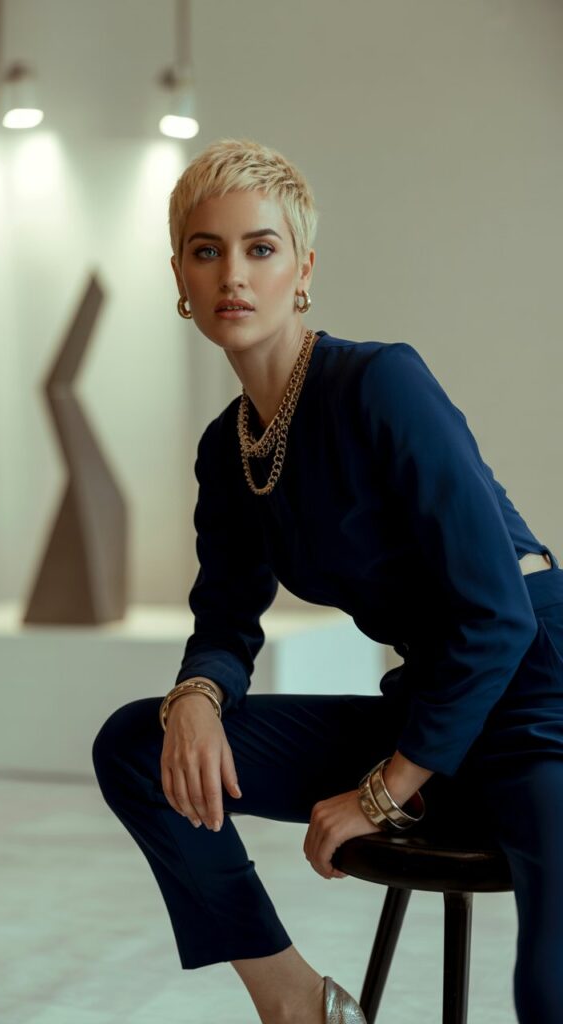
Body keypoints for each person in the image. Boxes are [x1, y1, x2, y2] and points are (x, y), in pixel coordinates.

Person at [92, 138, 563, 1024]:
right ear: (181, 279)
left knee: (549, 988)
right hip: (429, 703)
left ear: (302, 269)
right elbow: (227, 617)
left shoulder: (381, 383)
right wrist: (195, 694)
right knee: (134, 746)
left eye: (260, 249)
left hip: (540, 690)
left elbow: (499, 618)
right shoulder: (227, 449)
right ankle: (299, 1005)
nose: (234, 273)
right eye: (207, 250)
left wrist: (382, 792)